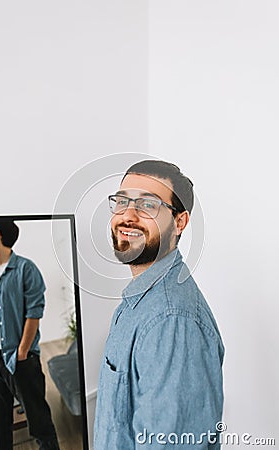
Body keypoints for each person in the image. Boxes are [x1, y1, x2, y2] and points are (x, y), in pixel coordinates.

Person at [94, 160, 225, 450]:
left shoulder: (172, 321)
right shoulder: (140, 301)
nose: (128, 215)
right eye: (122, 201)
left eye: (148, 205)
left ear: (180, 222)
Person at [0, 220, 60, 450]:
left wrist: (22, 352)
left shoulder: (25, 269)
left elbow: (34, 313)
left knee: (40, 423)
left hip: (20, 359)